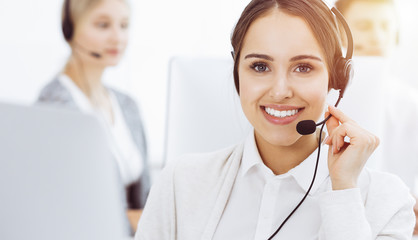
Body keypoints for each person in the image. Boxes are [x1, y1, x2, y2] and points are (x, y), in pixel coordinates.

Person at [135, 0, 415, 239]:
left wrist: (343, 193)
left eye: (303, 67)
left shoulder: (387, 201)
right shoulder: (181, 182)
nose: (280, 91)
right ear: (237, 74)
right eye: (260, 66)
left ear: (336, 78)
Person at [36, 0, 150, 232]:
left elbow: (146, 197)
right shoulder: (53, 107)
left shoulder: (127, 105)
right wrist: (132, 221)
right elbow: (61, 206)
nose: (117, 37)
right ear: (70, 30)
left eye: (124, 25)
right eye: (103, 25)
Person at [335, 0, 418, 235]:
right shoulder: (316, 98)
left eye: (385, 26)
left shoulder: (411, 104)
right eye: (364, 26)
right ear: (338, 32)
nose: (377, 37)